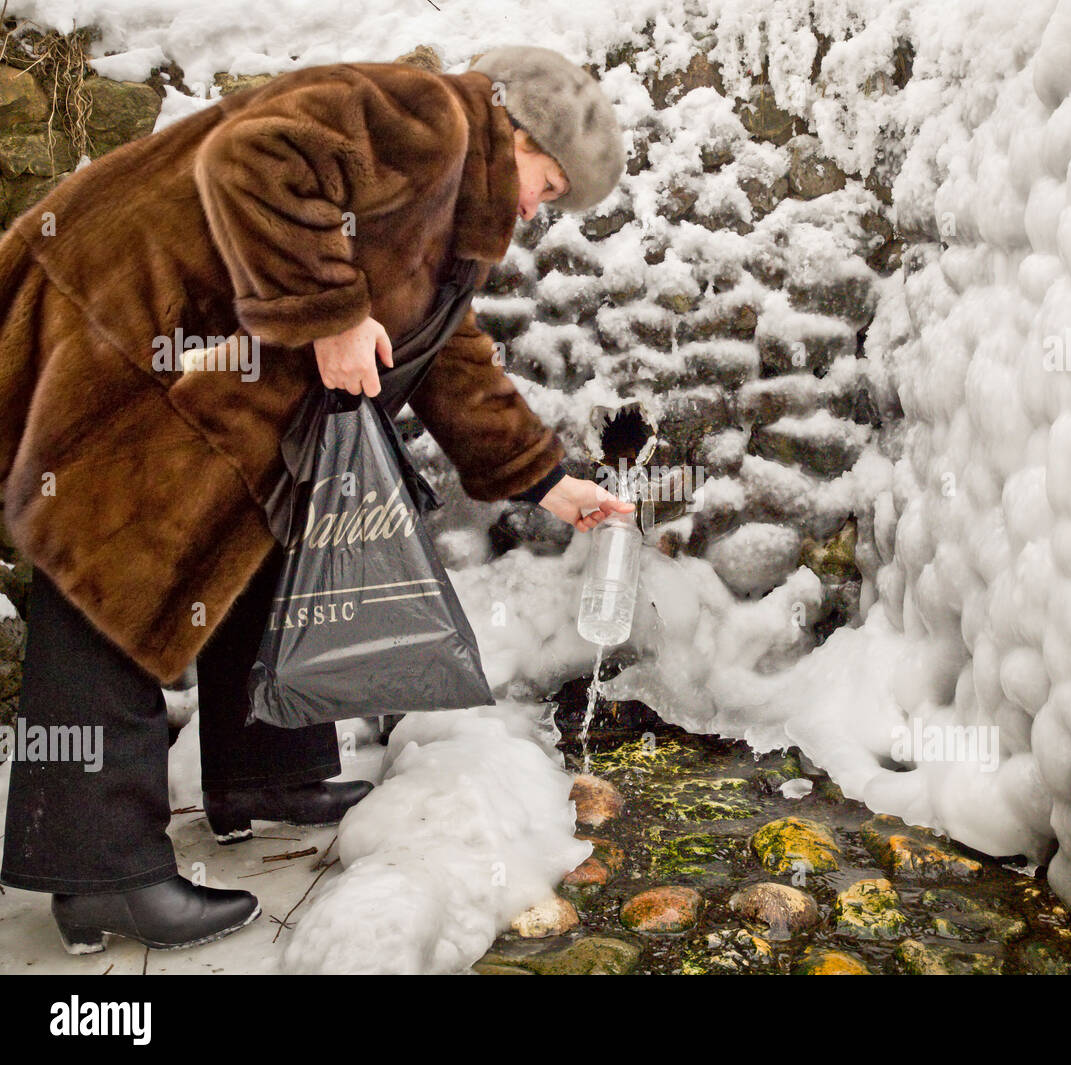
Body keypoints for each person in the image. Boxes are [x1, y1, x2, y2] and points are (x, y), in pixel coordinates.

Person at [0, 44, 633, 954]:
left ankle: (263, 771)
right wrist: (332, 312)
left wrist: (545, 478)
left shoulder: (446, 206)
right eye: (549, 181)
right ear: (519, 128)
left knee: (263, 532)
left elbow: (446, 354)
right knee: (112, 561)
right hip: (120, 317)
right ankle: (100, 872)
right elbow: (255, 158)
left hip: (198, 351)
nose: (541, 207)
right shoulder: (429, 118)